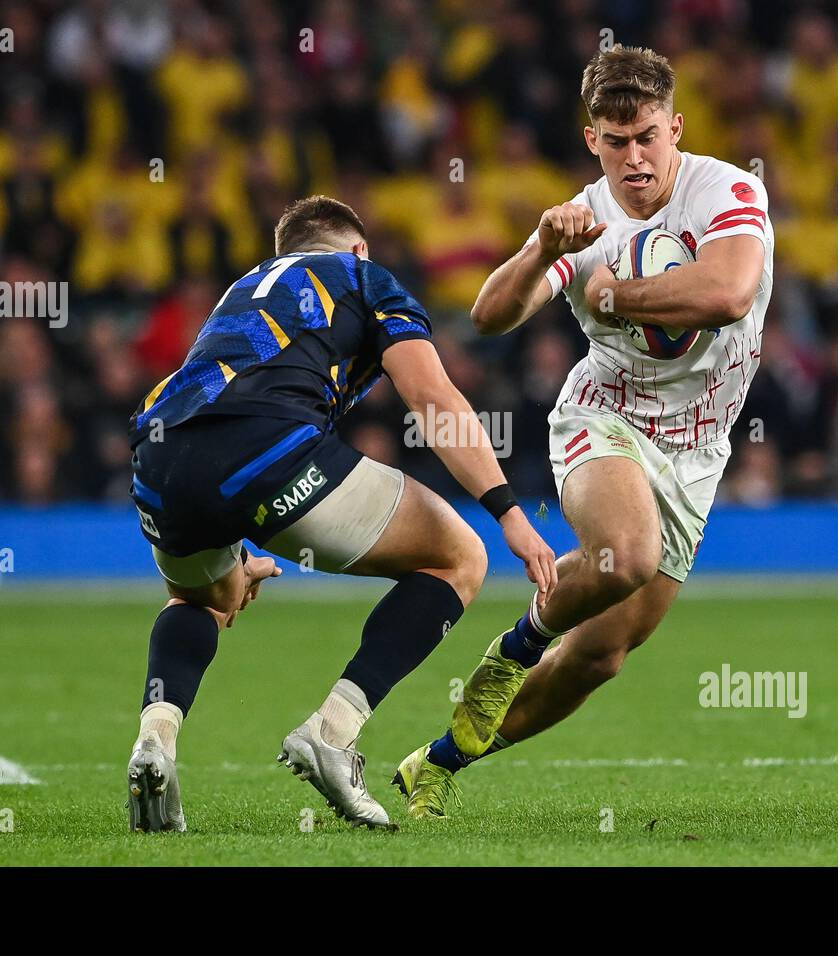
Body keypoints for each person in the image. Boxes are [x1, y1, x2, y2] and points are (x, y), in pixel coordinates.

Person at [395, 46, 773, 817]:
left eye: (647, 137)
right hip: (604, 418)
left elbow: (731, 292)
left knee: (601, 655)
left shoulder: (728, 189)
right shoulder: (584, 218)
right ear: (591, 138)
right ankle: (513, 649)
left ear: (676, 128)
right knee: (623, 554)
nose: (634, 158)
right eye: (615, 139)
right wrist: (542, 248)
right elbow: (490, 316)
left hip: (696, 449)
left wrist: (618, 296)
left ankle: (438, 761)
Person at [125, 195, 556, 831]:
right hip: (267, 450)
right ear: (356, 248)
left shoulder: (242, 291)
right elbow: (432, 398)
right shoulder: (363, 276)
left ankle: (155, 736)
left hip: (158, 458)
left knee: (202, 600)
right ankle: (333, 731)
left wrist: (236, 559)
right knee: (460, 557)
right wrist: (507, 511)